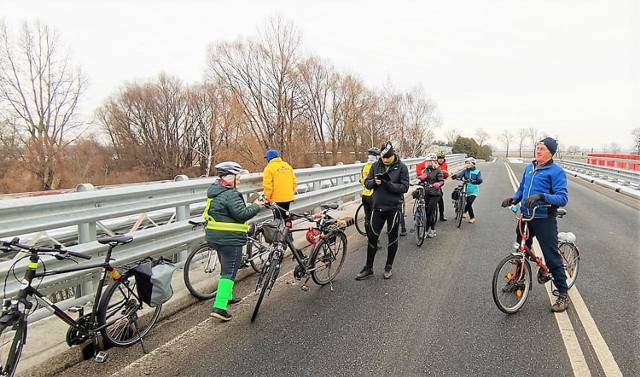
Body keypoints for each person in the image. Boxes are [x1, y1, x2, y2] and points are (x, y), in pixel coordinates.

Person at [501, 137, 569, 312]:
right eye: (537, 148)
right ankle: (518, 280)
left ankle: (562, 294)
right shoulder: (529, 168)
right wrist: (514, 198)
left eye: (542, 148)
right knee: (521, 249)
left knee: (552, 257)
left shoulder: (556, 172)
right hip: (526, 217)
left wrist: (541, 196)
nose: (538, 151)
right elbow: (522, 189)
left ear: (551, 152)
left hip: (544, 218)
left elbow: (563, 198)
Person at [205, 161, 264, 321]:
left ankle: (228, 295)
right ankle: (220, 307)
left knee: (225, 266)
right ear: (230, 177)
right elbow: (242, 214)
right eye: (238, 177)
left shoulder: (215, 191)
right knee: (230, 271)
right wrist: (256, 205)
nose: (239, 180)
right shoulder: (231, 194)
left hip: (215, 236)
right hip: (230, 238)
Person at [356, 141, 409, 280]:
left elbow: (405, 187)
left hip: (394, 208)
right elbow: (366, 183)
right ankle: (368, 268)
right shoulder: (376, 165)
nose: (385, 160)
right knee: (372, 237)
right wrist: (374, 182)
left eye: (387, 158)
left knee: (392, 238)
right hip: (377, 207)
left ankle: (388, 266)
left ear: (392, 156)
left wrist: (389, 184)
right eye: (383, 157)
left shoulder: (401, 167)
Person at [262, 149, 297, 220]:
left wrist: (267, 199)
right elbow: (294, 182)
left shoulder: (269, 168)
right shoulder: (287, 166)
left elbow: (268, 186)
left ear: (269, 158)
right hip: (288, 196)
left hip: (276, 199)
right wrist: (291, 192)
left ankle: (279, 231)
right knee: (286, 216)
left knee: (278, 219)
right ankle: (288, 230)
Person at [418, 153, 444, 238]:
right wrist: (421, 178)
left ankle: (426, 231)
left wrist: (438, 184)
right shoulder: (426, 170)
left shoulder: (438, 170)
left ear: (433, 161)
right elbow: (423, 179)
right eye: (427, 161)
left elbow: (442, 181)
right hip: (427, 192)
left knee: (429, 211)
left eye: (430, 161)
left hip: (435, 194)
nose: (428, 163)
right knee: (427, 212)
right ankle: (432, 229)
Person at [451, 157, 483, 223]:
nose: (467, 165)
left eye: (469, 163)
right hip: (465, 190)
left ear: (473, 164)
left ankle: (465, 212)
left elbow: (479, 179)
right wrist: (455, 176)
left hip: (473, 191)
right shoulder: (465, 171)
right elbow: (459, 175)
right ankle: (471, 217)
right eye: (466, 163)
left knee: (469, 203)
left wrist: (477, 181)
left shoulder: (477, 172)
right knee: (467, 203)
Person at [359, 147, 381, 236]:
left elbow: (361, 180)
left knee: (367, 218)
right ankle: (375, 239)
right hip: (374, 195)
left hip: (365, 195)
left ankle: (369, 236)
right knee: (375, 218)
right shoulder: (377, 167)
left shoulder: (364, 167)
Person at [435, 151, 450, 221]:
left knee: (440, 199)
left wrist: (445, 172)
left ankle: (442, 215)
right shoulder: (433, 163)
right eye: (439, 158)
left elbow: (446, 176)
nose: (441, 159)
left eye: (442, 158)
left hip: (439, 183)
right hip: (432, 181)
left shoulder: (445, 164)